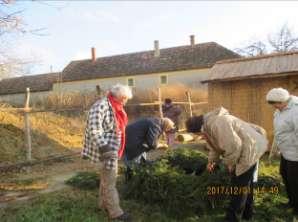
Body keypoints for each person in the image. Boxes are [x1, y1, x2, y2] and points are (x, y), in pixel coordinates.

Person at [185, 107, 268, 222]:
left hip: (250, 149)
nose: (199, 135)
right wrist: (212, 162)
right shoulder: (210, 125)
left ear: (200, 127)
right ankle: (247, 214)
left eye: (198, 133)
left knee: (238, 185)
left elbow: (234, 146)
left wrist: (230, 164)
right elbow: (215, 147)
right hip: (247, 147)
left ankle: (233, 218)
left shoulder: (218, 124)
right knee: (245, 183)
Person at [82, 84, 132, 222]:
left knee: (106, 179)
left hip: (112, 148)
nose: (126, 101)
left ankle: (103, 204)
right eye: (124, 98)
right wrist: (104, 147)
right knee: (110, 180)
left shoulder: (115, 106)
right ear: (118, 96)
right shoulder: (101, 106)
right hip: (105, 149)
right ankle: (115, 213)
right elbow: (94, 129)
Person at [266, 88, 298, 222]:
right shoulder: (279, 111)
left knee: (295, 181)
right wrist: (274, 150)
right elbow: (278, 132)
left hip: (296, 153)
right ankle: (292, 202)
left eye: (276, 104)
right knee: (284, 174)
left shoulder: (295, 111)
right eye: (272, 104)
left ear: (283, 100)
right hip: (286, 151)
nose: (274, 107)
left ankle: (297, 208)